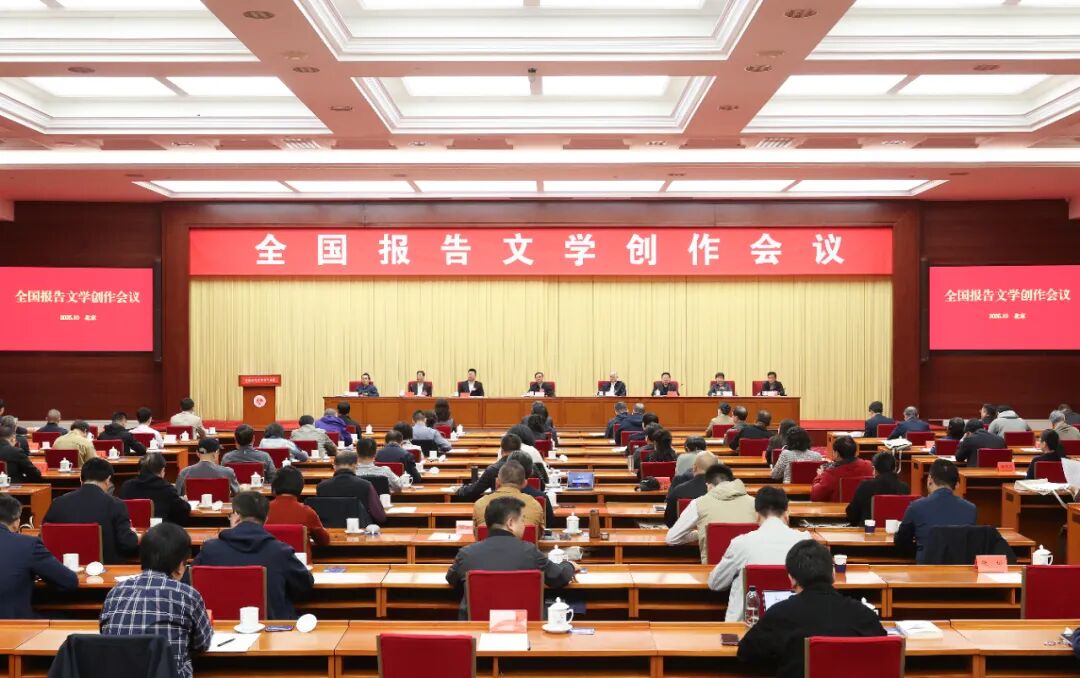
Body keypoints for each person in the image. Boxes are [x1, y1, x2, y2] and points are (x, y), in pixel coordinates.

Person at [737, 540, 885, 678]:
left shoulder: (779, 614)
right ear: (833, 574)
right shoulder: (863, 614)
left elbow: (746, 653)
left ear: (792, 579)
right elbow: (883, 649)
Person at [99, 523, 212, 678]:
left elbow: (105, 636)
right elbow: (202, 643)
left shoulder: (115, 592)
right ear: (181, 565)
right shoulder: (187, 595)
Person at [445, 496, 576, 619]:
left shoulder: (466, 554)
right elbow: (559, 578)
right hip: (524, 626)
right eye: (522, 520)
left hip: (477, 628)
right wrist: (569, 565)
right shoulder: (530, 552)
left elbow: (452, 579)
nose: (524, 525)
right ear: (511, 523)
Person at [194, 491, 314, 619]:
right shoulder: (280, 551)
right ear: (266, 519)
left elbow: (191, 582)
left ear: (236, 516)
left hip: (218, 625)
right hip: (272, 627)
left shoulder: (210, 549)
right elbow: (305, 583)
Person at [708, 487, 812, 622]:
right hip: (795, 623)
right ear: (787, 514)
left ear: (756, 515)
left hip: (747, 626)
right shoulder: (805, 541)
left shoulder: (741, 543)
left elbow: (715, 583)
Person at [43, 458, 139, 564]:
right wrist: (134, 535)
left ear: (81, 479)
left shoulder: (58, 503)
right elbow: (128, 544)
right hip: (105, 568)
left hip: (63, 568)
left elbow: (44, 537)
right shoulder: (116, 505)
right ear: (108, 480)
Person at [0, 493, 78, 619]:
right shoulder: (27, 544)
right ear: (16, 523)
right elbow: (68, 581)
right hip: (13, 625)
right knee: (69, 618)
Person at [665, 463, 757, 562]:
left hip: (712, 568)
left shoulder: (698, 503)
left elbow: (672, 538)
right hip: (749, 566)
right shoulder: (755, 503)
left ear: (708, 485)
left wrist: (700, 534)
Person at [895, 458, 976, 563]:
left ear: (929, 480)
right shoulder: (971, 509)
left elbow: (901, 541)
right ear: (957, 484)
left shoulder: (916, 507)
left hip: (927, 569)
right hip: (959, 569)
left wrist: (920, 550)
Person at [120, 452, 192, 525]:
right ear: (162, 471)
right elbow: (182, 513)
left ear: (139, 471)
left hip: (131, 529)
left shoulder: (126, 486)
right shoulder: (167, 489)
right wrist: (185, 502)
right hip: (160, 530)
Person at [316, 450, 386, 525]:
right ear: (355, 465)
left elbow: (318, 515)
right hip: (360, 528)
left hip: (330, 529)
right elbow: (380, 516)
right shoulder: (366, 485)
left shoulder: (321, 487)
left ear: (334, 466)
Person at [472, 460, 544, 531]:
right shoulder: (535, 505)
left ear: (497, 481)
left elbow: (477, 534)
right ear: (524, 483)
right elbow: (539, 534)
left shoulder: (480, 504)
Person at [267, 466, 330, 547]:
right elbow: (324, 541)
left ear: (274, 487)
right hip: (299, 555)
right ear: (300, 488)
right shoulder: (307, 512)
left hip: (268, 555)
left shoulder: (262, 511)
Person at [845, 451, 910, 526]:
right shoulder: (904, 487)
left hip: (868, 530)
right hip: (895, 530)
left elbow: (853, 513)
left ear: (875, 469)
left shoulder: (865, 486)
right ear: (895, 469)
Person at [455, 433, 523, 502]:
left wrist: (460, 490)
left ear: (501, 451)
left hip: (497, 504)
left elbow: (475, 490)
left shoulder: (493, 469)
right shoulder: (525, 467)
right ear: (520, 450)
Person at [810, 435, 874, 502]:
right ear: (856, 451)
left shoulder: (831, 474)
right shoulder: (868, 466)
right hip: (864, 507)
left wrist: (819, 476)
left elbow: (815, 497)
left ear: (836, 453)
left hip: (839, 507)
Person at [664, 451, 714, 528]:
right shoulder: (724, 492)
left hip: (684, 533)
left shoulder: (678, 491)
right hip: (715, 533)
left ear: (694, 468)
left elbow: (669, 521)